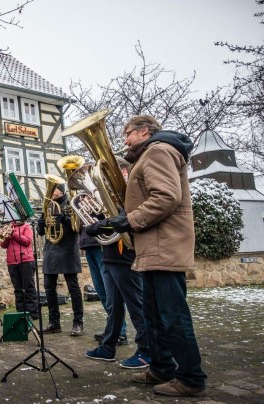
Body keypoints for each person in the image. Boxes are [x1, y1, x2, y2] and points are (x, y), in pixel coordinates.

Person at [107, 115, 207, 397]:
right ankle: (162, 368)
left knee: (172, 315)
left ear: (144, 131)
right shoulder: (153, 152)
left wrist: (129, 220)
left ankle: (191, 378)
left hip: (165, 244)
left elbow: (165, 196)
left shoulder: (159, 150)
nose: (124, 139)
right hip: (153, 246)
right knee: (154, 315)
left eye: (126, 133)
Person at [83, 225, 150, 368]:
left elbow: (126, 218)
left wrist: (105, 222)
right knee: (113, 306)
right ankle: (108, 348)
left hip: (125, 255)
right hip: (109, 255)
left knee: (136, 306)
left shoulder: (128, 202)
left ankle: (146, 351)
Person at [36, 183, 84, 336]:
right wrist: (41, 224)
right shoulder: (48, 205)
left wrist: (64, 219)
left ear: (61, 191)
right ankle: (54, 322)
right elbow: (41, 232)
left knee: (73, 288)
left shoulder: (71, 203)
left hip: (68, 249)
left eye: (54, 189)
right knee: (49, 288)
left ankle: (78, 323)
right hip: (51, 249)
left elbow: (77, 227)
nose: (51, 191)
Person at [0, 221, 38, 320]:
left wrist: (14, 233)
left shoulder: (26, 226)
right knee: (18, 290)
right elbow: (3, 245)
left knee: (29, 288)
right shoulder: (10, 227)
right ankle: (21, 313)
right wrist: (7, 235)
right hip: (12, 262)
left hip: (26, 260)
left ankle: (33, 314)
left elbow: (28, 241)